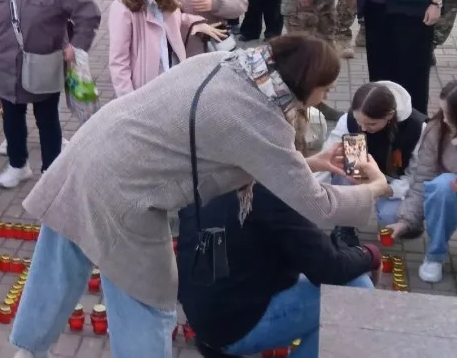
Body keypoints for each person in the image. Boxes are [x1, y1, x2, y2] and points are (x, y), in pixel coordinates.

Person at [9, 35, 391, 358]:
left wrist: (308, 163)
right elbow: (321, 206)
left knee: (56, 267)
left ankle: (27, 349)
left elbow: (230, 151)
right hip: (125, 197)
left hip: (86, 154)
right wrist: (375, 188)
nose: (324, 98)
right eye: (325, 89)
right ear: (306, 83)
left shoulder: (226, 62)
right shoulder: (260, 119)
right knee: (146, 300)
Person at [176, 182, 378, 357]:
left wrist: (311, 166)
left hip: (203, 319)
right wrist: (370, 254)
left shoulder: (208, 175)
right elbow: (331, 268)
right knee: (358, 289)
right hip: (234, 327)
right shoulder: (269, 192)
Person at [0, 0, 100, 188]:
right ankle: (18, 165)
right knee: (11, 118)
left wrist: (77, 46)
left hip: (44, 63)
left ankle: (50, 171)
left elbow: (89, 13)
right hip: (5, 64)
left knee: (47, 119)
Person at [320, 81, 425, 247]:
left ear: (390, 115)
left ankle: (411, 223)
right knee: (341, 170)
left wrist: (386, 189)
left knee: (392, 216)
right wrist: (310, 192)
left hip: (394, 182)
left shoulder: (417, 129)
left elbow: (417, 177)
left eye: (371, 124)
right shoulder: (348, 120)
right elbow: (326, 159)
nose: (362, 128)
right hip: (359, 174)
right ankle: (344, 226)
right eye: (359, 121)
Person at [107, 0, 223, 96]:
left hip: (174, 74)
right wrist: (127, 98)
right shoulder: (122, 8)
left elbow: (173, 19)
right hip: (145, 88)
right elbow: (118, 60)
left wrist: (195, 22)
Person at [387, 81, 457, 282]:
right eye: (442, 111)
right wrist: (406, 221)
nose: (444, 119)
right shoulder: (437, 129)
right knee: (442, 186)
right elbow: (423, 179)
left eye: (450, 114)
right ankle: (435, 254)